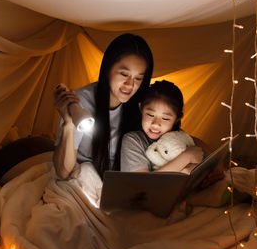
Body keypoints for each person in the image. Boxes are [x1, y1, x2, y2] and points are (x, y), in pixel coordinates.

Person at [53, 33, 153, 179]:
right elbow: (62, 172)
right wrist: (68, 123)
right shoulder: (81, 102)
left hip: (117, 182)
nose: (130, 85)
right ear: (108, 69)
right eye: (124, 74)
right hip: (81, 177)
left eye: (138, 78)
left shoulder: (141, 106)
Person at [120, 80, 204, 173]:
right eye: (150, 115)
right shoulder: (133, 141)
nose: (155, 124)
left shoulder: (180, 137)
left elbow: (203, 149)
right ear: (141, 108)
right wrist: (186, 158)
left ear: (177, 118)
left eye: (165, 118)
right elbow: (142, 182)